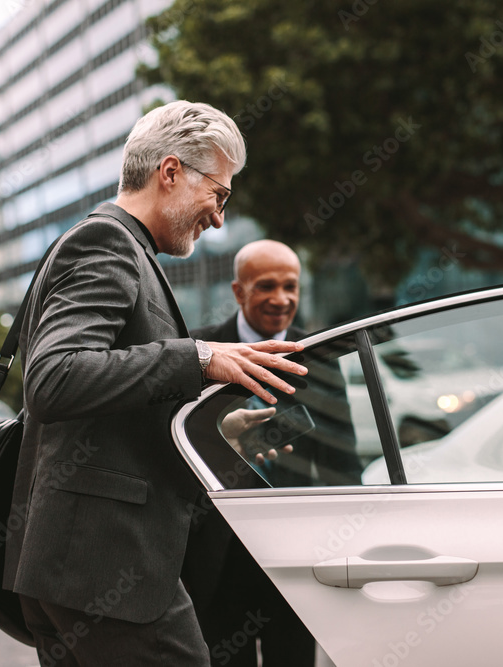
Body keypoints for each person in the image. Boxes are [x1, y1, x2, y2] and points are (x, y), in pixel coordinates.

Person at [3, 101, 307, 667]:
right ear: (169, 173)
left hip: (79, 567)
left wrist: (217, 428)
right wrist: (199, 356)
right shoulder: (108, 244)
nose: (218, 217)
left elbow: (104, 407)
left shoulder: (123, 248)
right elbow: (54, 378)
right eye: (218, 193)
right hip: (105, 567)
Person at [183, 240, 361, 666]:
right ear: (238, 291)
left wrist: (348, 539)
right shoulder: (198, 351)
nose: (281, 300)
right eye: (266, 286)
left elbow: (342, 461)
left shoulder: (318, 354)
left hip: (294, 557)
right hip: (217, 561)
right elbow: (175, 451)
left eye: (290, 286)